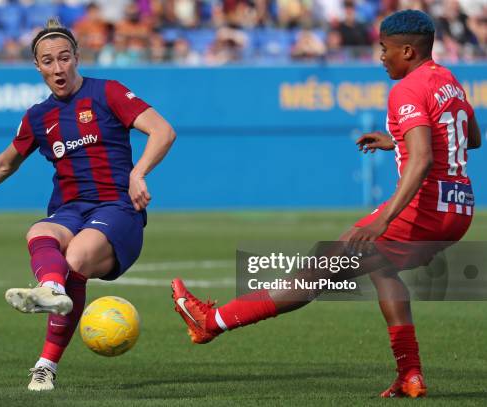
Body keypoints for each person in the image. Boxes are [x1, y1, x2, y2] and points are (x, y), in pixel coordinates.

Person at [171, 9, 481, 398]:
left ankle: (212, 322)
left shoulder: (407, 88)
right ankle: (410, 374)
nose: (381, 56)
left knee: (313, 272)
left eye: (384, 49)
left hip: (425, 208)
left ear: (407, 50)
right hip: (459, 209)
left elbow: (422, 161)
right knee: (382, 269)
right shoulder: (449, 81)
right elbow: (470, 138)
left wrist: (383, 218)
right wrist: (398, 139)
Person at [0, 18, 176, 391]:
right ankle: (51, 298)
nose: (58, 68)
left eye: (64, 58)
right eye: (48, 61)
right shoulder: (39, 117)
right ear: (38, 66)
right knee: (39, 231)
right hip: (70, 210)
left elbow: (162, 130)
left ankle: (47, 355)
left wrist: (138, 173)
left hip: (116, 209)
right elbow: (5, 163)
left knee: (76, 258)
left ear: (77, 57)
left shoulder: (106, 93)